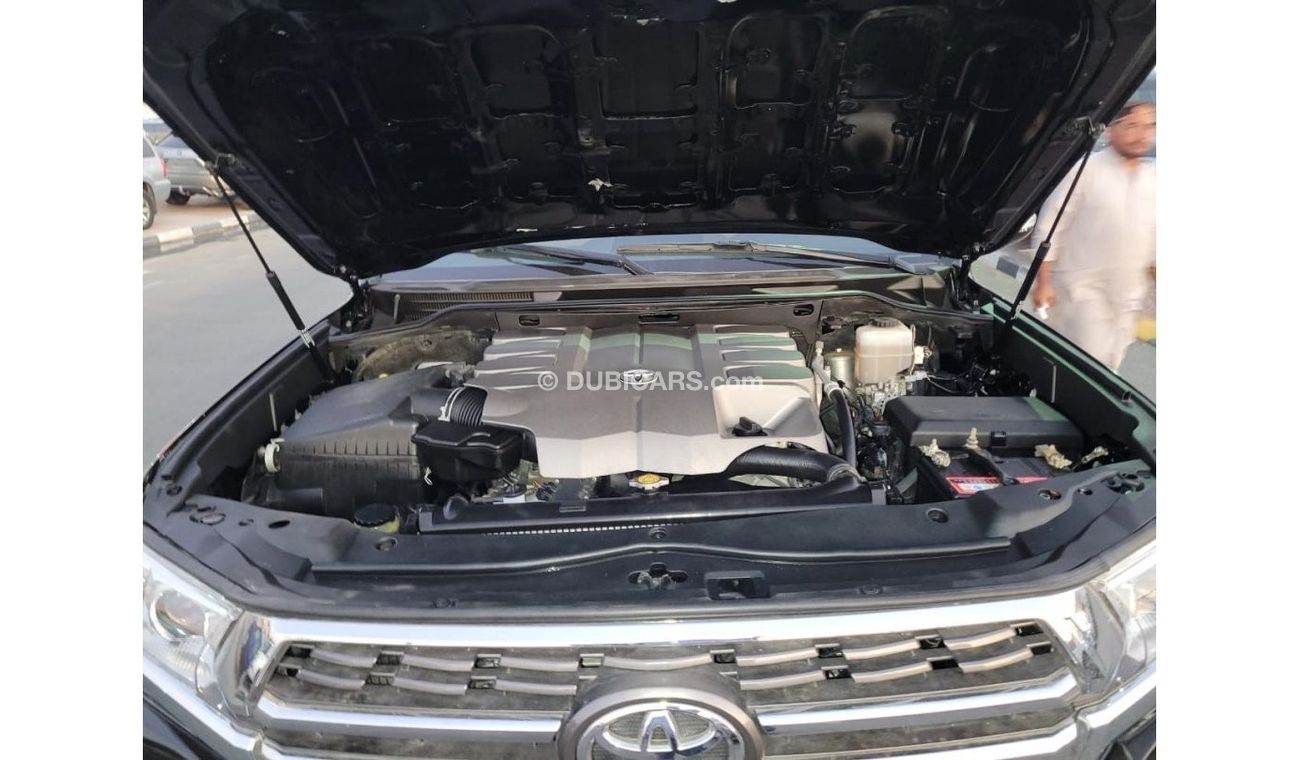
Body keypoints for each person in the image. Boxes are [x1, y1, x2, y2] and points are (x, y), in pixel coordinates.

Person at [1031, 101, 1156, 371]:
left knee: (1110, 367)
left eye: (1149, 127)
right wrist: (1043, 282)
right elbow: (1050, 225)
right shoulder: (1087, 169)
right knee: (1090, 367)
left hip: (1127, 296)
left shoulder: (1153, 179)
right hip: (1081, 290)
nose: (1141, 134)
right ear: (1112, 129)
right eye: (1132, 125)